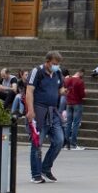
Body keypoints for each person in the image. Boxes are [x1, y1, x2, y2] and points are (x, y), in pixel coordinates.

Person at [26, 50, 67, 184]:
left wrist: (63, 91)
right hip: (39, 110)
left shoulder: (58, 73)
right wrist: (30, 110)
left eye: (58, 64)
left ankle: (46, 167)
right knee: (37, 143)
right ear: (47, 62)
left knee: (59, 140)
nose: (56, 66)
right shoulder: (37, 72)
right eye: (54, 63)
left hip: (53, 111)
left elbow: (60, 89)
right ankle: (36, 174)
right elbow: (29, 91)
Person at [62, 67, 86, 149]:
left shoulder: (67, 80)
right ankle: (73, 143)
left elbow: (64, 90)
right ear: (81, 73)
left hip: (69, 103)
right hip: (77, 103)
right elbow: (82, 95)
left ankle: (66, 143)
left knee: (68, 123)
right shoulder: (80, 81)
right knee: (75, 124)